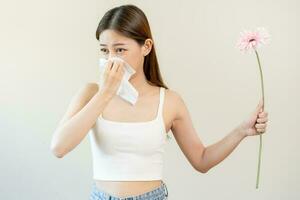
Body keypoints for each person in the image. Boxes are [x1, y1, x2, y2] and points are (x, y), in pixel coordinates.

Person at [50, 4, 269, 200]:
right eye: (104, 51)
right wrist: (105, 93)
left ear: (146, 47)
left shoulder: (170, 101)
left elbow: (201, 160)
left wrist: (241, 131)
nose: (110, 60)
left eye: (120, 50)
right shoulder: (91, 93)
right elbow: (59, 148)